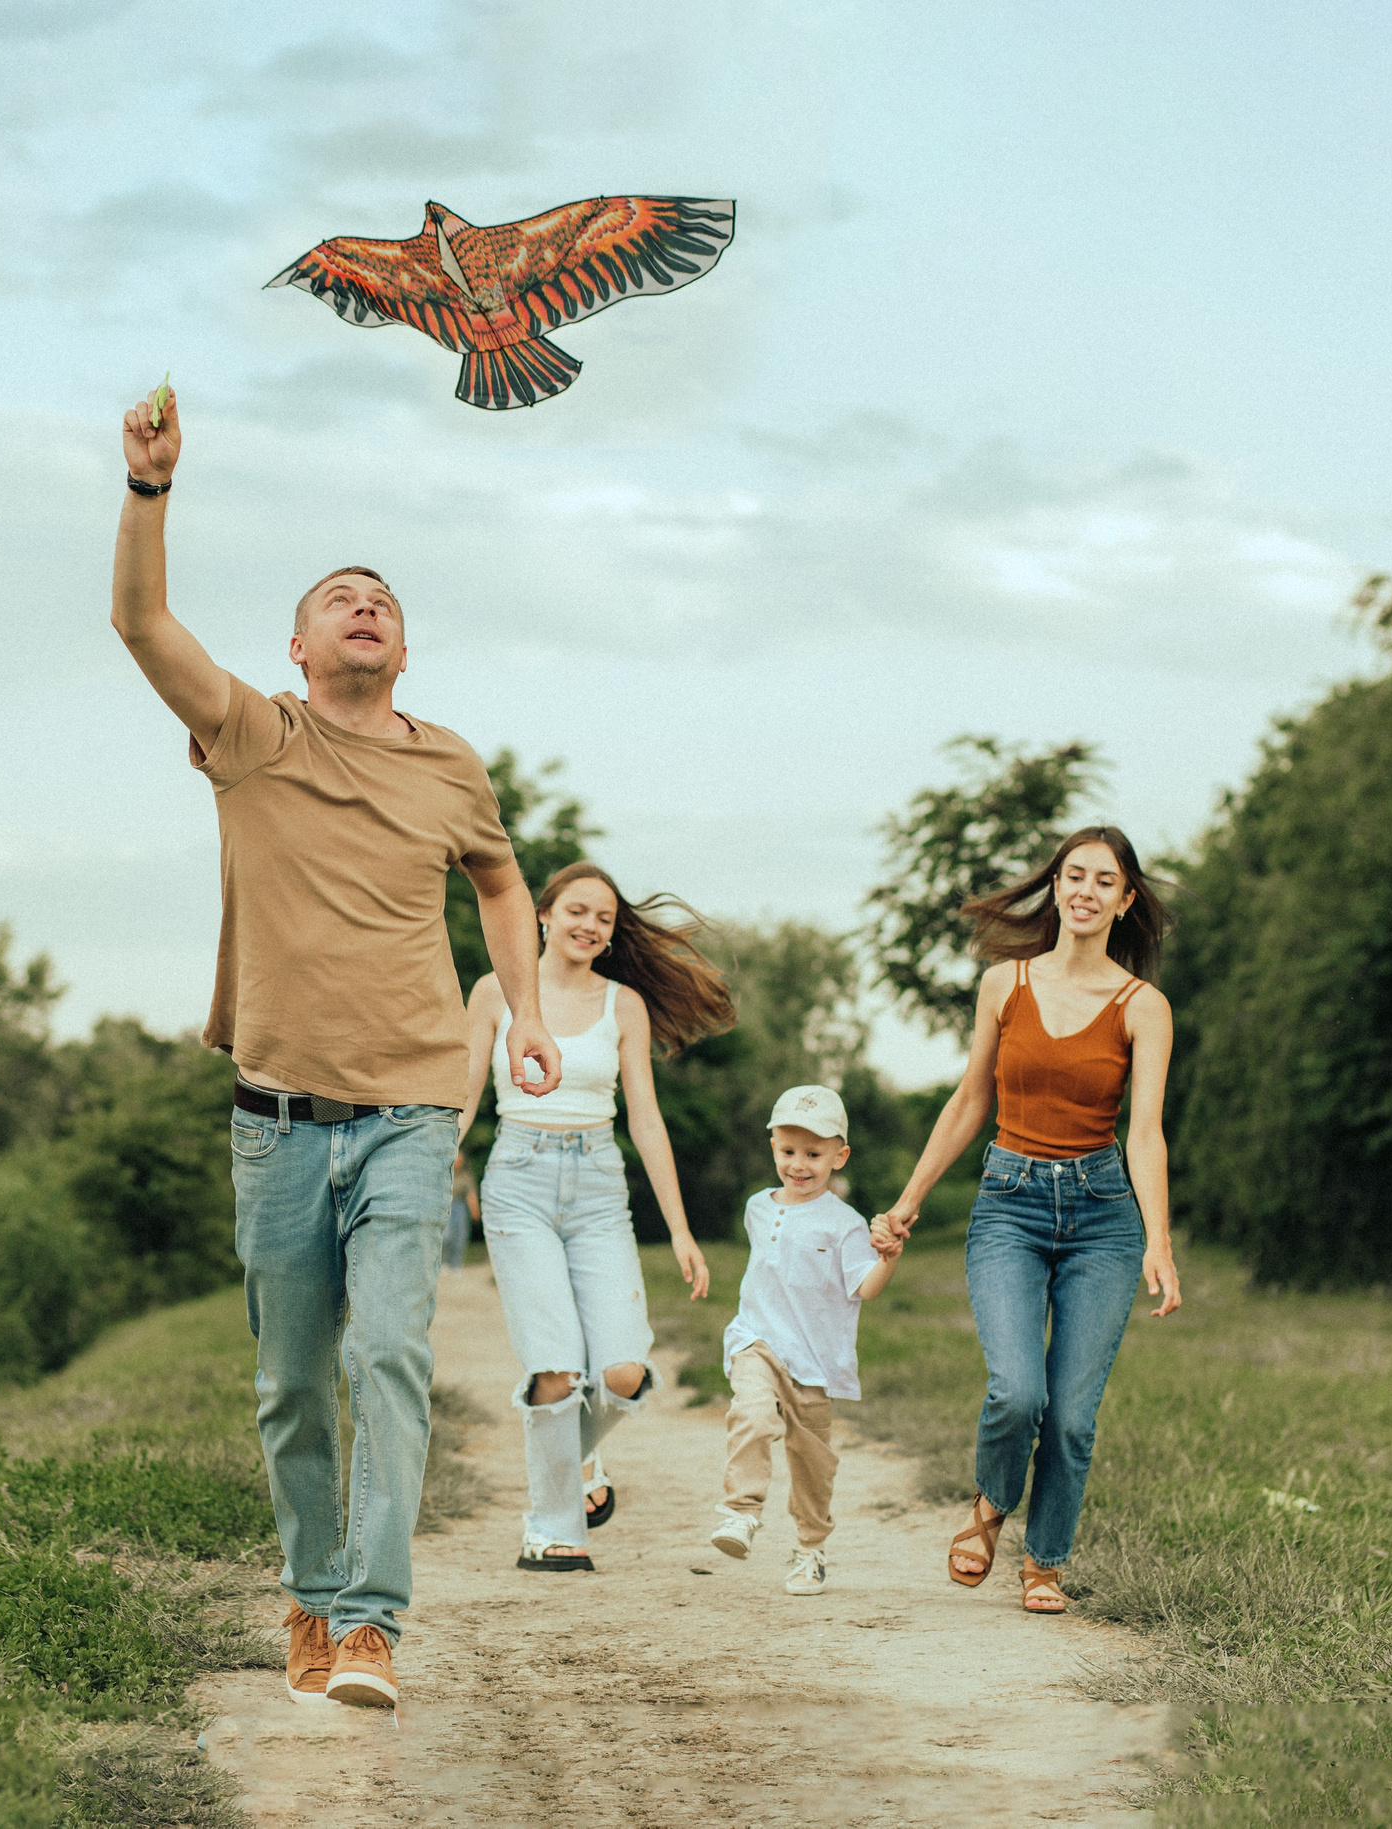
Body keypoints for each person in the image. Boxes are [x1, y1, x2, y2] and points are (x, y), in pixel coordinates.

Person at [109, 381, 560, 1710]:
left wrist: (524, 1007)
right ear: (297, 647)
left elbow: (500, 880)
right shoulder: (254, 734)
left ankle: (370, 1622)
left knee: (390, 1359)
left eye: (388, 603)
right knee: (295, 1384)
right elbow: (138, 621)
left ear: (403, 654)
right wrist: (150, 487)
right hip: (276, 1117)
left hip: (417, 1105)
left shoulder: (451, 765)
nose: (368, 606)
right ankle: (310, 1593)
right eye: (341, 597)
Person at [873, 826, 1181, 1616]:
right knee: (1016, 1390)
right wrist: (908, 1201)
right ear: (1056, 888)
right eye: (1071, 875)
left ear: (1125, 899)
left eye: (1102, 880)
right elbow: (971, 1098)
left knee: (1073, 1415)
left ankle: (1044, 1561)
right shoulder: (1003, 985)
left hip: (1102, 1217)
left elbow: (1144, 1130)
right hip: (1009, 1202)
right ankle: (989, 1506)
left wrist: (1159, 1240)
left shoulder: (1143, 1006)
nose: (1083, 890)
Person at [453, 861, 727, 1572]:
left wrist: (681, 1230)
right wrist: (429, 1175)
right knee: (554, 1366)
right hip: (518, 1180)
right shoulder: (492, 993)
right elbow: (462, 1096)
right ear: (542, 915)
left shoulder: (623, 1005)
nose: (589, 925)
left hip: (600, 1185)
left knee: (623, 1372)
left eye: (603, 918)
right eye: (576, 910)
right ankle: (553, 1526)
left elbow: (646, 1119)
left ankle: (573, 1460)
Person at [708, 1084, 903, 1596]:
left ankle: (810, 1549)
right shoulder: (757, 1207)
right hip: (758, 1340)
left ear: (840, 1156)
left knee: (812, 1465)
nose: (799, 1165)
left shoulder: (847, 1224)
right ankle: (740, 1512)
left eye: (814, 1154)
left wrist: (889, 1258)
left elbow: (864, 1289)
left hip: (815, 1362)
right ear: (773, 1145)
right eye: (788, 1151)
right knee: (751, 1414)